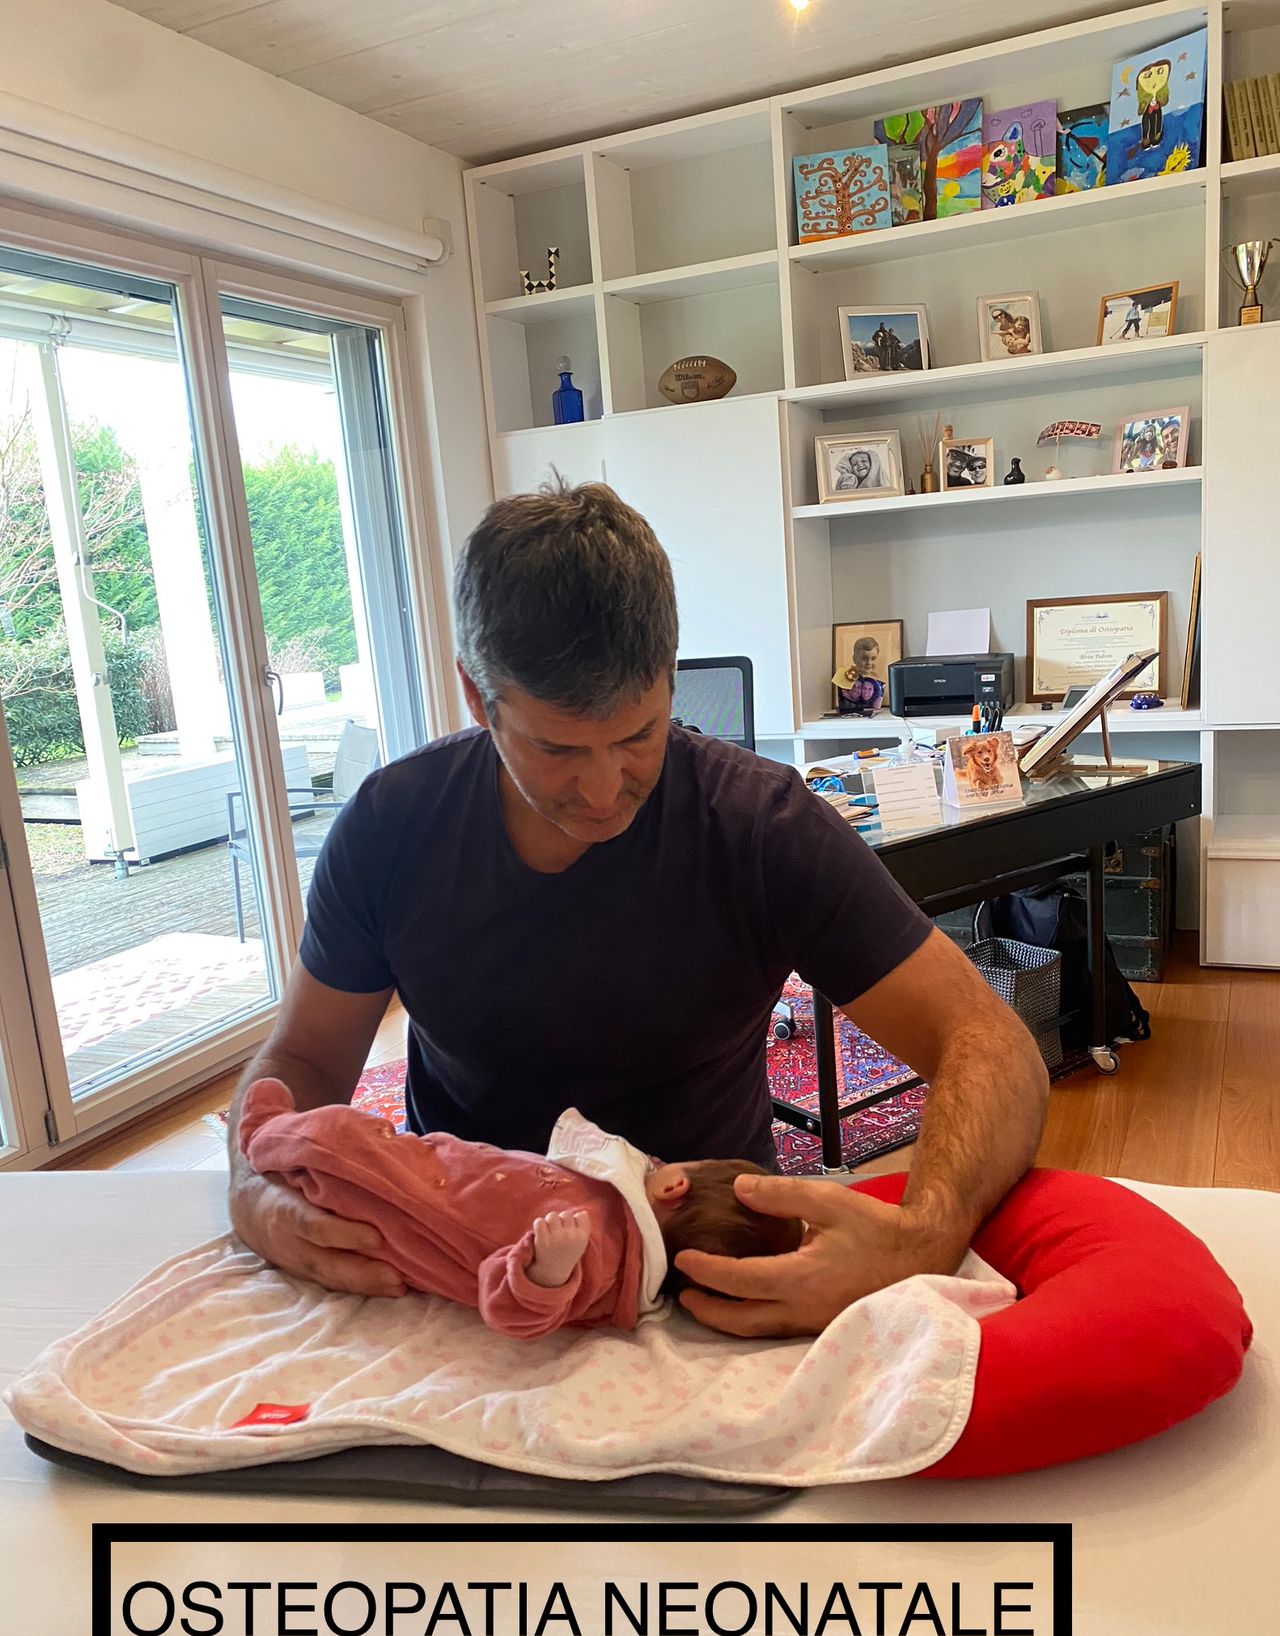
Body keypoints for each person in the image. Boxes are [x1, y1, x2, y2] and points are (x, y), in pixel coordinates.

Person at [227, 478, 1047, 1338]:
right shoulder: (392, 827)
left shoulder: (759, 826)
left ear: (669, 675)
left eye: (638, 736)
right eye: (557, 749)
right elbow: (307, 1058)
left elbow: (990, 1046)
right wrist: (251, 1185)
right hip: (458, 1269)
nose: (601, 789)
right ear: (477, 695)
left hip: (704, 1273)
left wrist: (922, 1235)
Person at [239, 1082, 803, 1339]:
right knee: (371, 1149)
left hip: (413, 1206)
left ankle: (263, 1131)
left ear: (675, 1185)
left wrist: (543, 1274)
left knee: (343, 1139)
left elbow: (515, 1314)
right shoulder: (621, 1223)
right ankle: (281, 1147)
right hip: (446, 1169)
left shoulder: (601, 1253)